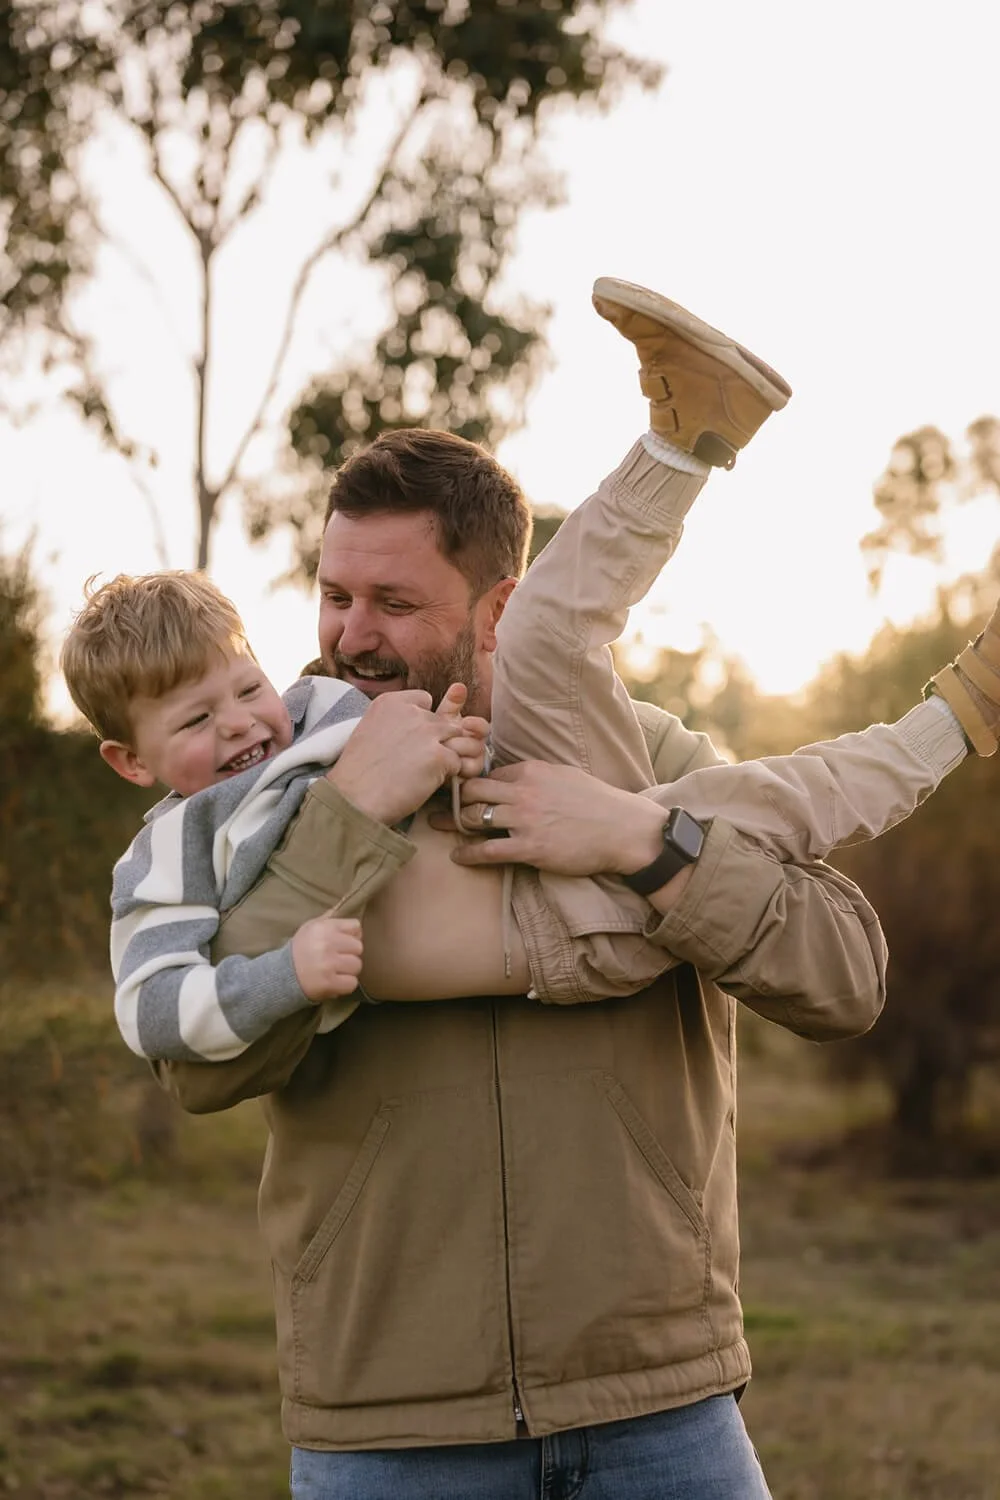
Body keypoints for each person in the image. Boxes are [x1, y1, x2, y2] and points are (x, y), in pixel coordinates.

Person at [140, 280, 999, 1499]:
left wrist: (641, 841)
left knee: (754, 805)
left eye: (393, 602)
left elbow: (845, 978)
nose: (347, 636)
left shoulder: (639, 751)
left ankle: (940, 701)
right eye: (334, 595)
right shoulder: (263, 782)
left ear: (492, 611)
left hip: (660, 1408)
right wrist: (351, 817)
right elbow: (199, 1061)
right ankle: (727, 477)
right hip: (386, 1428)